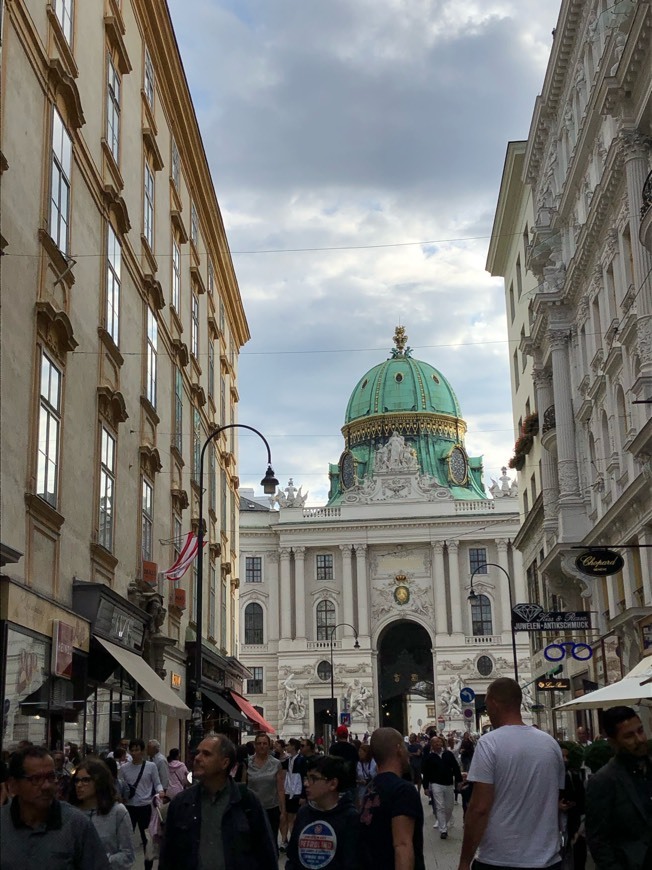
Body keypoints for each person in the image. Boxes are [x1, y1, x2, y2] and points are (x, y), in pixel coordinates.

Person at [457, 677, 566, 870]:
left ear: (493, 703)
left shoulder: (489, 743)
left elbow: (479, 808)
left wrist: (465, 860)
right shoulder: (550, 744)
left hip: (500, 859)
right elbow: (555, 798)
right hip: (547, 859)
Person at [160, 733, 277, 870]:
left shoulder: (247, 802)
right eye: (197, 753)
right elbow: (168, 857)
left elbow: (266, 854)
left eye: (206, 754)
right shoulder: (181, 803)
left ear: (225, 763)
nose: (197, 758)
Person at [1, 745, 110, 869]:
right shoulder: (3, 823)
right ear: (13, 785)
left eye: (51, 777)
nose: (46, 786)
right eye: (36, 779)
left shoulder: (76, 825)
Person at [585, 705, 652, 870]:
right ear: (613, 742)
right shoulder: (604, 781)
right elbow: (598, 841)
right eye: (629, 736)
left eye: (640, 731)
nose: (639, 739)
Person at [359, 727, 425, 870]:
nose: (407, 751)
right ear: (399, 749)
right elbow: (402, 845)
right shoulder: (403, 790)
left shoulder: (370, 789)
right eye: (404, 746)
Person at [286, 755, 361, 870]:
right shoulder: (304, 812)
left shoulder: (349, 817)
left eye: (314, 778)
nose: (306, 783)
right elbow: (293, 856)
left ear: (332, 784)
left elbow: (351, 861)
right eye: (306, 778)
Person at [69, 757, 135, 868]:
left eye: (85, 780)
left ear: (99, 781)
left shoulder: (117, 812)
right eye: (77, 780)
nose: (79, 785)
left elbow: (128, 856)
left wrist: (102, 860)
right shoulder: (71, 813)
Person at [118, 739, 163, 855]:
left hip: (145, 806)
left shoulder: (151, 766)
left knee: (146, 838)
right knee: (126, 837)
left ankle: (148, 861)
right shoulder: (124, 768)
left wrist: (161, 791)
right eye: (132, 750)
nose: (134, 753)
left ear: (142, 751)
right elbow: (121, 786)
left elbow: (157, 782)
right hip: (129, 807)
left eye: (137, 750)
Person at [243, 731, 286, 849]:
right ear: (255, 745)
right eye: (259, 743)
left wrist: (283, 812)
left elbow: (280, 789)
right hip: (252, 809)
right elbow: (243, 787)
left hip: (271, 809)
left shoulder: (276, 764)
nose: (262, 746)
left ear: (269, 745)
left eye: (265, 743)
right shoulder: (247, 763)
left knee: (270, 842)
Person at [421, 735, 462, 839]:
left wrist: (459, 780)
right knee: (440, 807)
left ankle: (444, 821)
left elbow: (456, 768)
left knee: (449, 807)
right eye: (435, 743)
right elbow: (426, 773)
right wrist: (425, 787)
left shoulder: (448, 754)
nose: (438, 744)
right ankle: (443, 830)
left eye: (439, 742)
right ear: (431, 745)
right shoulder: (429, 758)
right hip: (436, 784)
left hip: (448, 783)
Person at [559, 741, 587, 870]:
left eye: (567, 757)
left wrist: (579, 830)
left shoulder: (573, 777)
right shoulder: (548, 778)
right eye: (562, 757)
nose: (565, 760)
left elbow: (582, 803)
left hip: (574, 829)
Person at [280, 738, 306, 851]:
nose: (287, 747)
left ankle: (294, 840)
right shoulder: (290, 759)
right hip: (289, 791)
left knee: (292, 818)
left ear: (294, 747)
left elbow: (304, 777)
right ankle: (288, 840)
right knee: (287, 816)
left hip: (296, 791)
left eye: (289, 745)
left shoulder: (301, 760)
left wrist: (303, 795)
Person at [329, 725, 359, 791]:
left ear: (337, 735)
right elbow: (357, 764)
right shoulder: (352, 748)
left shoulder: (333, 748)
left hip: (338, 783)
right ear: (347, 735)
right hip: (351, 782)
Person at [356, 743, 377, 809]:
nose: (359, 753)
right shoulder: (359, 763)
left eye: (361, 752)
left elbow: (375, 775)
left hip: (372, 787)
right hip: (362, 789)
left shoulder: (374, 762)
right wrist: (359, 781)